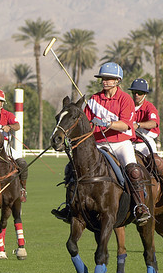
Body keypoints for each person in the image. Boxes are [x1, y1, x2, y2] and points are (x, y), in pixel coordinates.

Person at [51, 62, 150, 225]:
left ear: (118, 80)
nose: (105, 81)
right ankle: (69, 207)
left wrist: (106, 123)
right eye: (103, 78)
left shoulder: (125, 99)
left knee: (133, 171)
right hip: (99, 143)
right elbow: (87, 124)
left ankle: (140, 206)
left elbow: (126, 124)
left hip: (121, 142)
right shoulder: (94, 100)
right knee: (71, 167)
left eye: (109, 79)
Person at [128, 78, 163, 201]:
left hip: (144, 141)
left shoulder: (149, 107)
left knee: (155, 161)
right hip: (128, 141)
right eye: (134, 92)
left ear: (145, 94)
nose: (136, 95)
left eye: (139, 93)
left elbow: (153, 123)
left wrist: (139, 125)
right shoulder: (127, 105)